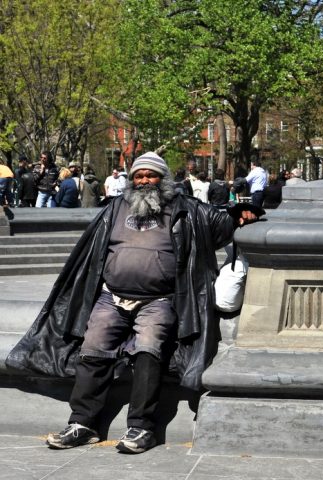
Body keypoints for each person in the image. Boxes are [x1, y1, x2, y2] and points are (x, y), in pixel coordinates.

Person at [6, 151, 261, 454]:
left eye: (150, 175)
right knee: (93, 348)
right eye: (138, 176)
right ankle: (82, 424)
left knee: (149, 349)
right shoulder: (114, 208)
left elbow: (222, 221)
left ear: (163, 179)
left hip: (159, 300)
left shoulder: (186, 209)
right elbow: (91, 251)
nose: (143, 181)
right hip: (110, 297)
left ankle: (141, 427)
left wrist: (242, 212)